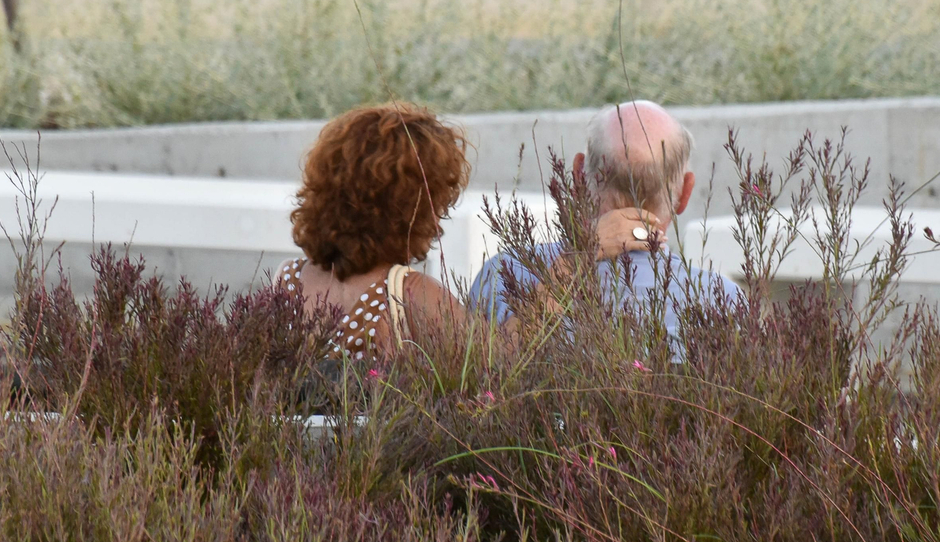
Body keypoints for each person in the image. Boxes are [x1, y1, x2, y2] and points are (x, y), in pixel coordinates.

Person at [278, 101, 661, 361]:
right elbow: (504, 356)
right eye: (438, 201)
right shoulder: (406, 294)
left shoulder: (287, 282)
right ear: (412, 209)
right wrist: (581, 254)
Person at [467, 100, 743, 352]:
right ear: (685, 193)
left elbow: (482, 380)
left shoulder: (503, 274)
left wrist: (575, 259)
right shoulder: (723, 302)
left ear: (578, 175)